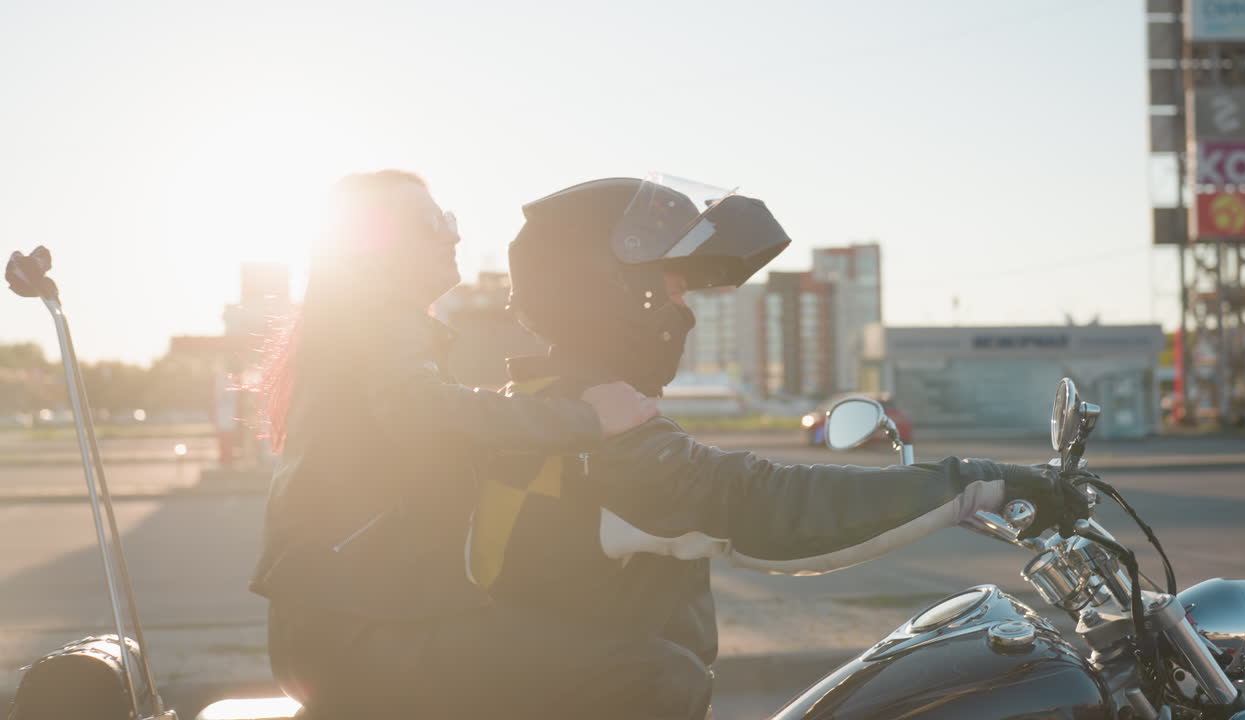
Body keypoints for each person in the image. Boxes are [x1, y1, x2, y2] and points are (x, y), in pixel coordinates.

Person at [460, 176, 1091, 719]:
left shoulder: (540, 408)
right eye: (674, 290)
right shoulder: (596, 441)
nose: (685, 313)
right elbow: (768, 505)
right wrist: (976, 482)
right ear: (613, 294)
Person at [248, 170, 661, 716]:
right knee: (657, 673)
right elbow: (426, 409)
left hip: (346, 629)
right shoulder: (377, 324)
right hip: (372, 635)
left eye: (449, 219)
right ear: (372, 247)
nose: (453, 235)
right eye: (431, 223)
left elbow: (423, 417)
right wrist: (586, 418)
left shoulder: (364, 331)